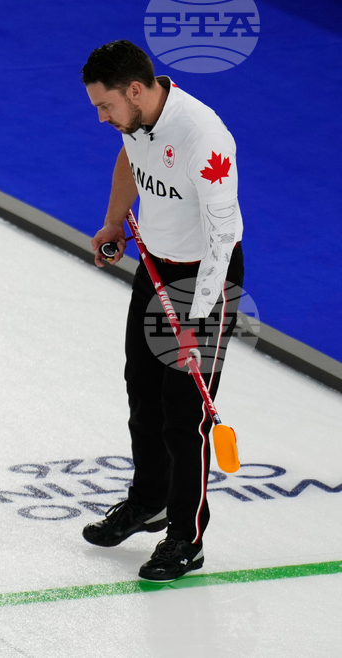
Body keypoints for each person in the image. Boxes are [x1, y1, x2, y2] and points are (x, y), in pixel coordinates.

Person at [80, 40, 245, 581]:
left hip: (206, 279)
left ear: (135, 89)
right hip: (155, 268)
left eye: (105, 106)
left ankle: (186, 537)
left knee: (184, 415)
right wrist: (113, 221)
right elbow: (131, 161)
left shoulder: (204, 137)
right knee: (142, 393)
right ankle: (147, 500)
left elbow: (225, 235)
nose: (102, 117)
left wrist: (199, 316)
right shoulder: (136, 125)